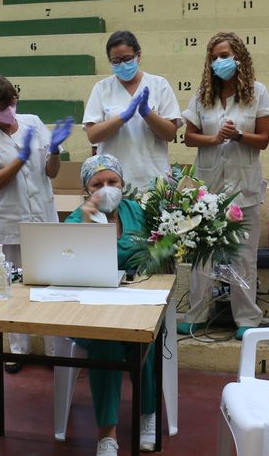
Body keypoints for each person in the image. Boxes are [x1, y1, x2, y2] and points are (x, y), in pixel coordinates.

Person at [0, 75, 74, 373]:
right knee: (13, 286)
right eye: (1, 106)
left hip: (43, 215)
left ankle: (54, 349)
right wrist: (21, 158)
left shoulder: (33, 122)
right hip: (9, 221)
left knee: (49, 285)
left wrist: (54, 149)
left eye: (12, 103)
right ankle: (18, 350)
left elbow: (51, 172)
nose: (9, 110)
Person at [178, 32, 269, 340]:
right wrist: (215, 139)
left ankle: (246, 317)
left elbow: (264, 140)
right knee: (203, 256)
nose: (219, 62)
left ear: (239, 58)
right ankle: (197, 314)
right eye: (214, 57)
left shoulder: (257, 92)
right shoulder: (203, 95)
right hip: (207, 189)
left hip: (244, 189)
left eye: (225, 55)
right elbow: (188, 137)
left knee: (243, 256)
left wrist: (238, 136)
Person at [64, 154, 157, 455]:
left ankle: (148, 413)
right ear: (86, 189)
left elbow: (162, 248)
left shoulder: (138, 212)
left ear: (122, 183)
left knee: (147, 336)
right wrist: (87, 224)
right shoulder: (78, 219)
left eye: (112, 181)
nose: (106, 188)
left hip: (136, 303)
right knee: (106, 344)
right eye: (97, 184)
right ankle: (107, 435)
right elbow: (67, 263)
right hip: (90, 310)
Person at [83, 30, 182, 189]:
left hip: (153, 179)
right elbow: (93, 136)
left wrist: (147, 113)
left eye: (127, 59)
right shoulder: (102, 88)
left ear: (138, 56)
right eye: (116, 61)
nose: (122, 65)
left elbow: (170, 134)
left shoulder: (159, 85)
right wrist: (122, 117)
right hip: (114, 180)